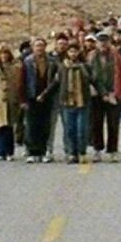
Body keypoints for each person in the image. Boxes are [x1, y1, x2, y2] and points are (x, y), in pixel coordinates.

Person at [89, 31, 121, 163]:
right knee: (96, 123)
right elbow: (89, 75)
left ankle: (113, 151)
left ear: (109, 42)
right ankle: (97, 150)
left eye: (105, 41)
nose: (103, 44)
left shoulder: (116, 56)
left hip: (114, 93)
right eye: (100, 41)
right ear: (97, 43)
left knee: (113, 124)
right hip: (97, 95)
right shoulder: (91, 56)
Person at [20, 37, 57, 162]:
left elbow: (55, 80)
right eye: (37, 46)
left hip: (47, 97)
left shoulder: (51, 61)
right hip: (32, 96)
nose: (39, 48)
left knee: (45, 125)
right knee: (31, 125)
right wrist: (23, 99)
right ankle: (32, 152)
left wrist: (48, 94)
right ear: (33, 47)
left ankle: (43, 151)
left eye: (41, 45)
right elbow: (22, 81)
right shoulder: (27, 61)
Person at [57, 40, 92, 163]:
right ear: (67, 53)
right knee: (70, 129)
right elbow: (56, 82)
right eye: (71, 51)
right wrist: (43, 94)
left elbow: (93, 80)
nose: (73, 54)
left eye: (75, 51)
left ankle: (82, 152)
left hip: (82, 102)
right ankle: (72, 153)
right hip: (67, 102)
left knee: (81, 129)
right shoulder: (63, 67)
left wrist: (104, 93)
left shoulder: (84, 66)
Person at [46, 33, 69, 162]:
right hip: (53, 96)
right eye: (60, 44)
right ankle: (49, 150)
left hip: (66, 96)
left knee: (67, 125)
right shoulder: (50, 59)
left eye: (64, 44)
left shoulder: (70, 58)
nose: (62, 46)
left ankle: (68, 150)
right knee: (51, 125)